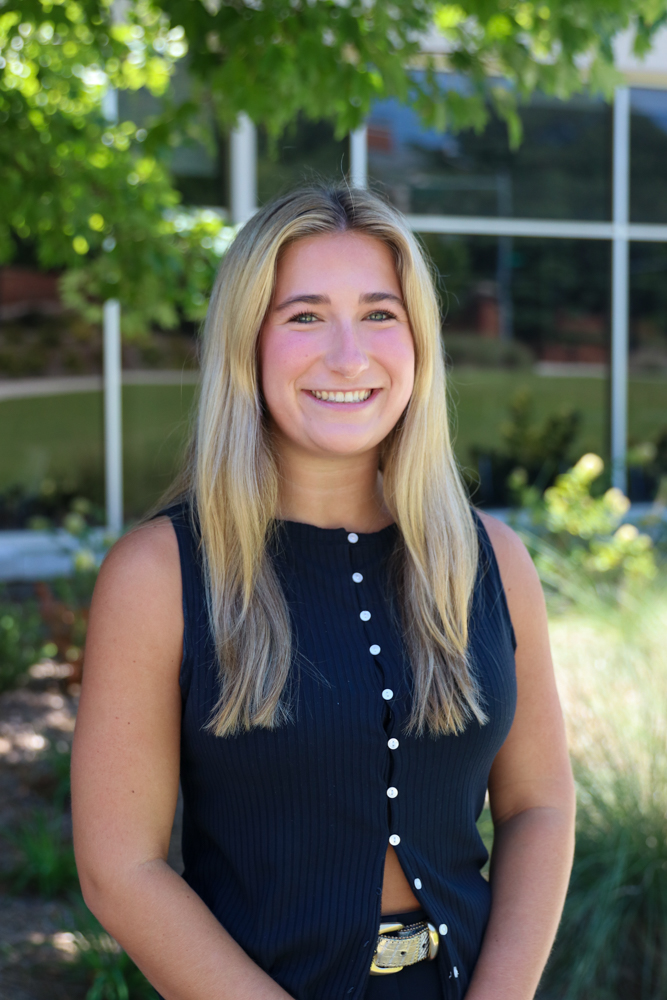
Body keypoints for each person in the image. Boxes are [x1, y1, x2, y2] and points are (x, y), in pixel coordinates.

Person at [71, 185, 575, 1000]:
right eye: (304, 317)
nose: (348, 356)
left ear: (418, 341)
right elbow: (120, 868)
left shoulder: (491, 561)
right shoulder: (158, 577)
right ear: (247, 343)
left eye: (379, 314)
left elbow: (539, 805)